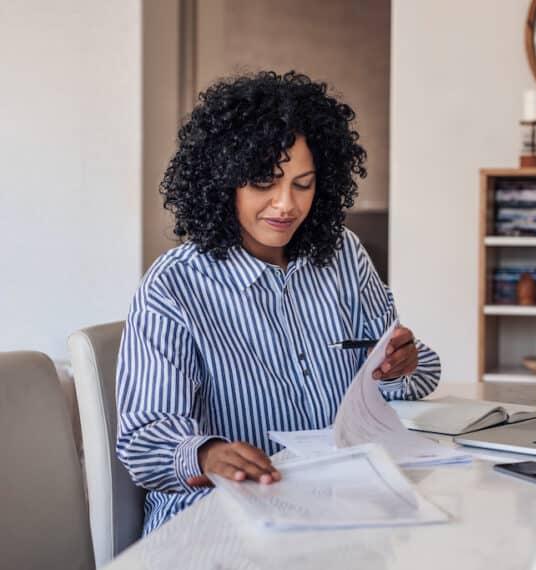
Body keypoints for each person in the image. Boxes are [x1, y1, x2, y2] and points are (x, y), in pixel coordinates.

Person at [116, 71, 441, 534]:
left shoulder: (344, 255)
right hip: (218, 523)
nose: (285, 204)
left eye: (303, 184)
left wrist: (402, 365)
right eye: (264, 182)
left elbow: (401, 383)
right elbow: (145, 439)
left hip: (341, 507)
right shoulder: (175, 285)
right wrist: (207, 454)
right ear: (223, 181)